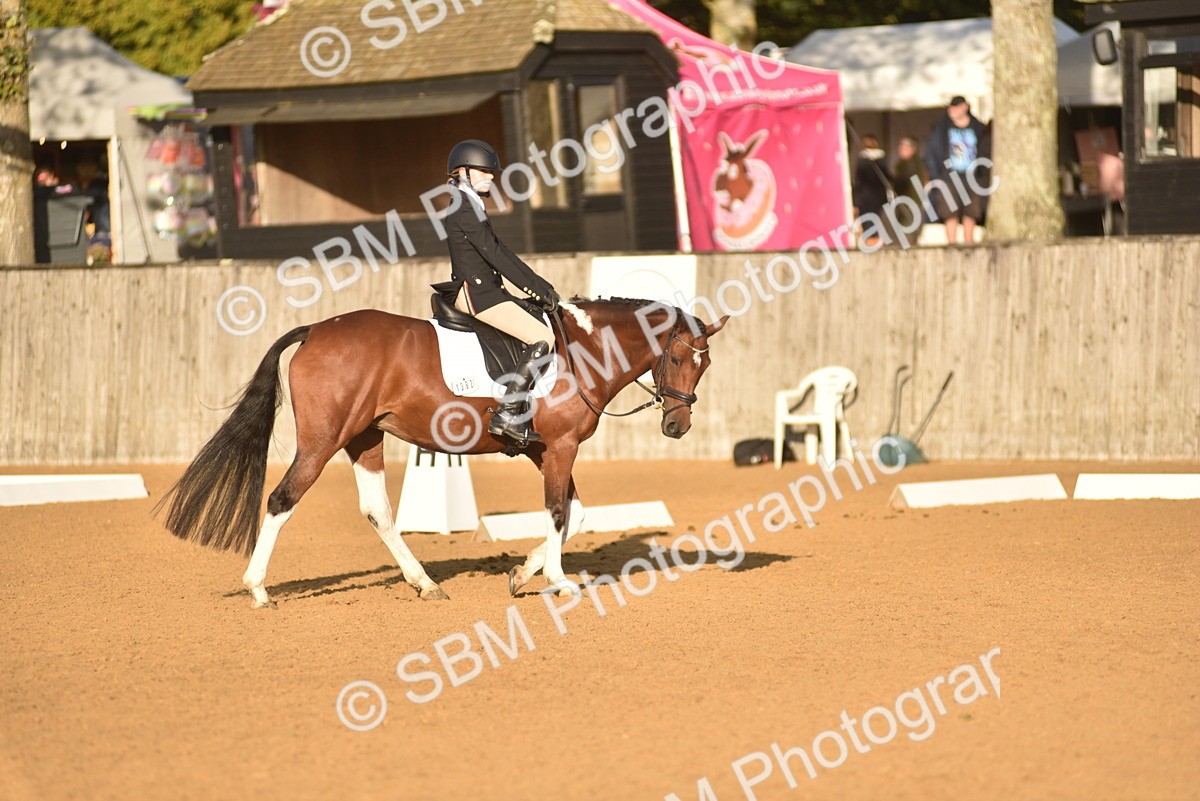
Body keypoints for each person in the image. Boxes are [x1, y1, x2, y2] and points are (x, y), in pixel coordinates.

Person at [442, 139, 560, 447]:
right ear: (463, 171)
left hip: (489, 291)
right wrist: (536, 287)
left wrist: (537, 287)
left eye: (492, 172)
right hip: (478, 296)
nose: (492, 177)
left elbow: (499, 251)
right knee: (543, 338)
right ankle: (507, 414)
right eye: (484, 171)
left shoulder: (469, 203)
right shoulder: (463, 207)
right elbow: (494, 253)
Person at [924, 96, 990, 244]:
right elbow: (931, 154)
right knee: (949, 213)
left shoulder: (979, 128)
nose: (951, 110)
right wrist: (937, 176)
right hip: (949, 178)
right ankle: (952, 244)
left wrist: (983, 176)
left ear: (965, 107)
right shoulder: (941, 129)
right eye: (950, 107)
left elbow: (986, 151)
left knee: (971, 212)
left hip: (973, 177)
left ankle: (969, 243)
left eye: (955, 107)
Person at [851, 134, 892, 246]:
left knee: (867, 222)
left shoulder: (862, 161)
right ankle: (875, 242)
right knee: (876, 222)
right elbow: (888, 179)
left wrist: (855, 201)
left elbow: (858, 182)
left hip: (865, 199)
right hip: (879, 198)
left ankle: (871, 244)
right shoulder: (882, 160)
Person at [892, 136, 928, 237]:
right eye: (900, 146)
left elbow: (902, 183)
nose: (901, 149)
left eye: (905, 146)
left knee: (907, 231)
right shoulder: (902, 164)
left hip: (910, 203)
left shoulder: (912, 164)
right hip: (905, 203)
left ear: (913, 149)